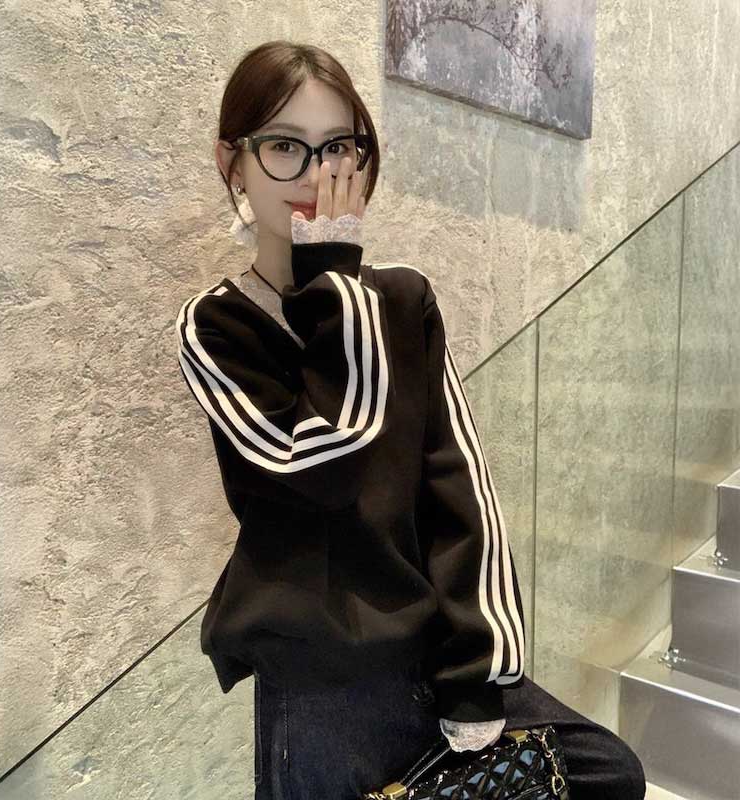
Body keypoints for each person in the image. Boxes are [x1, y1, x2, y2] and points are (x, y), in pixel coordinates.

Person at [176, 40, 646, 800]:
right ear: (233, 162)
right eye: (285, 147)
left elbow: (459, 486)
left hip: (432, 652)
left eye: (339, 148)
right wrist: (333, 278)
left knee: (607, 772)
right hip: (320, 681)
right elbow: (323, 466)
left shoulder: (402, 300)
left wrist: (479, 669)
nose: (318, 176)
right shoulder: (216, 327)